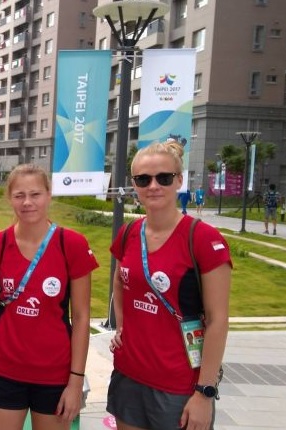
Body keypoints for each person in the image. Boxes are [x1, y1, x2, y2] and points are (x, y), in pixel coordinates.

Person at [107, 141, 232, 430]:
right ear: (134, 184)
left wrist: (205, 392)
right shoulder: (128, 233)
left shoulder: (202, 239)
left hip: (179, 385)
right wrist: (122, 327)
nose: (153, 186)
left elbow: (218, 321)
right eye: (143, 179)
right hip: (129, 375)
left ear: (178, 180)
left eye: (163, 178)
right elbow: (119, 280)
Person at [0, 163, 98, 430]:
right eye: (19, 195)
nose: (27, 202)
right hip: (2, 370)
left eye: (35, 194)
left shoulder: (72, 244)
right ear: (10, 199)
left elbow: (82, 316)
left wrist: (76, 381)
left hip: (55, 373)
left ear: (49, 195)